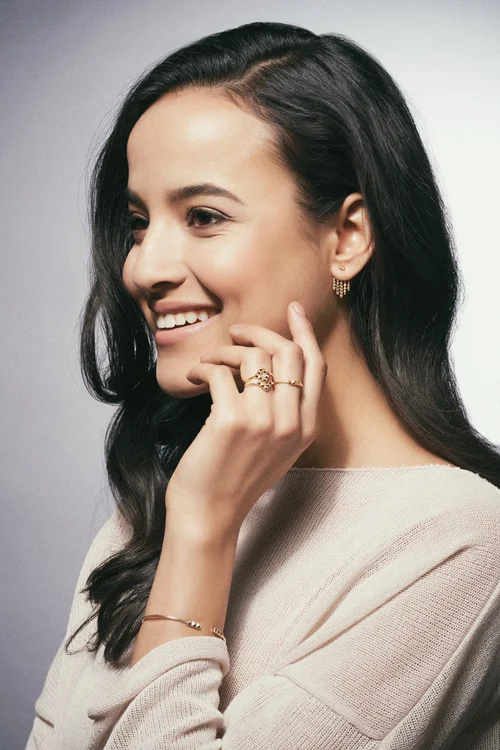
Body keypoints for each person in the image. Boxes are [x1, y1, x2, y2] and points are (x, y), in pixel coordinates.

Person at [26, 20, 500, 749]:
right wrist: (194, 515)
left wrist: (203, 527)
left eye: (204, 216)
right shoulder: (155, 511)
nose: (142, 267)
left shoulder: (462, 542)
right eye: (138, 222)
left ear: (347, 238)